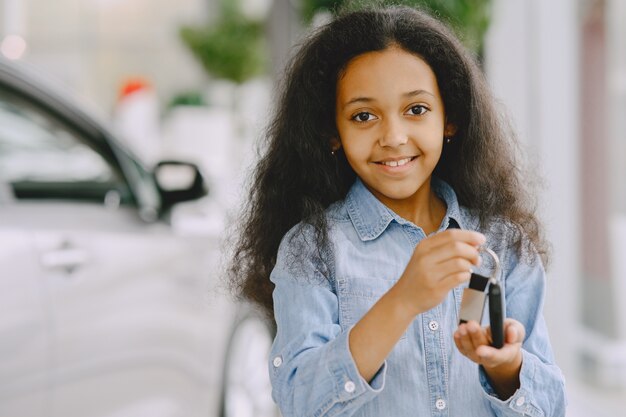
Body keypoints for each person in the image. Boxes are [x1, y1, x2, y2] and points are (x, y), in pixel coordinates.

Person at [227, 4, 566, 416]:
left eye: (416, 110)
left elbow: (551, 407)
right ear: (333, 132)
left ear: (450, 119)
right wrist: (402, 300)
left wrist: (507, 368)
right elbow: (301, 402)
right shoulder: (310, 251)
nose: (393, 136)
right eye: (364, 115)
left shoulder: (503, 246)